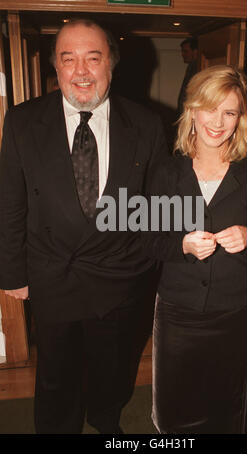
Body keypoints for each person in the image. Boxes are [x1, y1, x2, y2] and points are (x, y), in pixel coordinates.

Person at [0, 19, 167, 434]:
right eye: (68, 59)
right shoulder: (22, 122)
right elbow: (9, 202)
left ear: (111, 64)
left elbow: (159, 206)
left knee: (113, 366)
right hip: (53, 274)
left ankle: (105, 418)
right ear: (54, 68)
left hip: (119, 276)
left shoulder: (146, 124)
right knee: (55, 373)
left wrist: (147, 267)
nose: (81, 71)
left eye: (93, 58)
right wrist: (12, 274)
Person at [144, 65, 247, 434]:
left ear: (241, 118)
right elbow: (148, 240)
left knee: (226, 402)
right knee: (174, 404)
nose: (217, 122)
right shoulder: (166, 173)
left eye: (229, 112)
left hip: (234, 310)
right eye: (209, 108)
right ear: (192, 110)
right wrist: (182, 244)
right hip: (177, 309)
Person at [177, 37, 198, 117]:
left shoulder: (197, 67)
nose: (182, 54)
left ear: (195, 52)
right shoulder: (191, 66)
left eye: (185, 51)